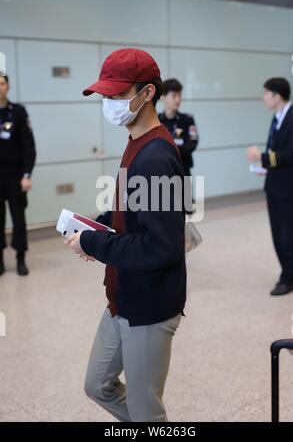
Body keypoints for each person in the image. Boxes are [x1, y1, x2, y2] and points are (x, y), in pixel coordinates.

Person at [65, 48, 186, 422]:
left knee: (145, 408)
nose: (109, 103)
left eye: (117, 95)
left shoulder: (156, 157)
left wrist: (95, 244)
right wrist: (97, 226)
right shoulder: (136, 143)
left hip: (149, 306)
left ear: (147, 93)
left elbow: (161, 246)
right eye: (105, 96)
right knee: (97, 384)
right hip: (122, 294)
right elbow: (132, 212)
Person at [247, 78, 293, 296]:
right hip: (276, 185)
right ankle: (292, 271)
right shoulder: (277, 117)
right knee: (279, 232)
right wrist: (265, 166)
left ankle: (288, 278)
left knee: (286, 233)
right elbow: (277, 150)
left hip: (289, 188)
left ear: (277, 95)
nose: (264, 98)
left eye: (266, 93)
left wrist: (262, 157)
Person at [0, 72, 36, 276]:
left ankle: (21, 258)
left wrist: (26, 174)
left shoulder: (19, 112)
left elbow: (29, 147)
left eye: (2, 83)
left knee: (18, 218)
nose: (0, 87)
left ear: (8, 87)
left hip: (15, 177)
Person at [159, 79, 199, 213]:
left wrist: (167, 150)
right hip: (162, 172)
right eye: (174, 96)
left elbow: (192, 144)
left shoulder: (187, 120)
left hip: (183, 170)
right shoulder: (157, 121)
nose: (178, 99)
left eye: (179, 95)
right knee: (163, 208)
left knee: (184, 210)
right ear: (163, 97)